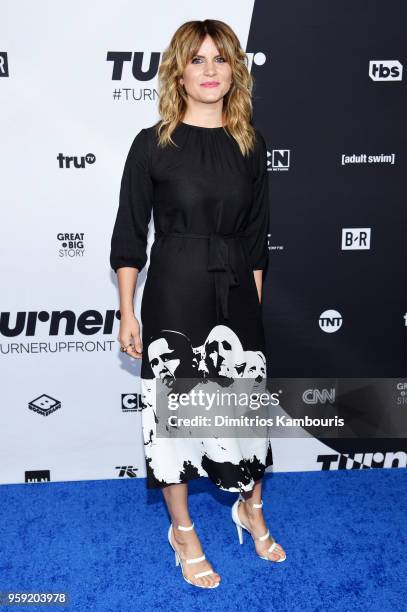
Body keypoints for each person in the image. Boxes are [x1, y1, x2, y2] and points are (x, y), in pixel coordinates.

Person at [109, 19, 286, 589]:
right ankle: (183, 530)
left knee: (244, 407)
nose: (210, 70)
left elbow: (258, 237)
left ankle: (249, 507)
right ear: (179, 73)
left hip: (236, 287)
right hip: (176, 287)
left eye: (220, 59)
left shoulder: (249, 144)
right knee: (175, 415)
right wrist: (128, 310)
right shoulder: (152, 144)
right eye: (197, 60)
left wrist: (253, 306)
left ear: (235, 69)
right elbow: (130, 235)